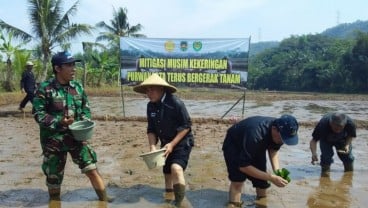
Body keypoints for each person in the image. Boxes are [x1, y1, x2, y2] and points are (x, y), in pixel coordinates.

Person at [32, 51, 112, 202]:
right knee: (54, 179)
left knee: (92, 169)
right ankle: (55, 203)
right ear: (57, 68)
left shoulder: (78, 87)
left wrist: (84, 122)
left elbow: (85, 109)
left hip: (77, 138)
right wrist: (59, 122)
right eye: (69, 65)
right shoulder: (45, 89)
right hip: (53, 141)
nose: (73, 68)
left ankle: (105, 200)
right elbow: (38, 114)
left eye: (74, 65)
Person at [133, 73, 194, 207]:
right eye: (147, 90)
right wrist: (152, 147)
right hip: (165, 142)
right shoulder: (150, 106)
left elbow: (186, 127)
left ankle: (178, 203)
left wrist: (172, 144)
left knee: (176, 169)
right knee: (167, 172)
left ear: (161, 89)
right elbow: (151, 129)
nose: (149, 93)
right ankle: (168, 195)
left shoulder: (175, 103)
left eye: (152, 89)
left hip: (182, 141)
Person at [222, 115, 299, 207]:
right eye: (282, 138)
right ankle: (233, 204)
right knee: (238, 180)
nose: (283, 141)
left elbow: (273, 149)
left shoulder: (281, 132)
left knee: (262, 181)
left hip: (255, 144)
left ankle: (261, 202)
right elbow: (243, 166)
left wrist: (277, 171)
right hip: (234, 144)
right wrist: (271, 178)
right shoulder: (256, 135)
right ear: (274, 129)